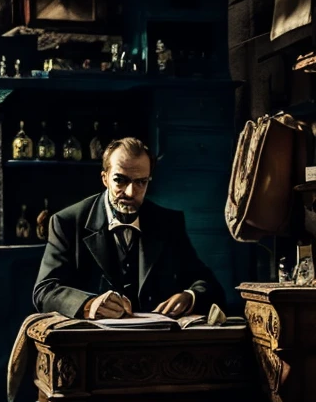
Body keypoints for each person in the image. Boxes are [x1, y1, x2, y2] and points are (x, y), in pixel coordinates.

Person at [33, 137, 224, 319]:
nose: (131, 192)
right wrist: (89, 304)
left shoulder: (168, 222)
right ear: (105, 178)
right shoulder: (67, 222)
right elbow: (45, 290)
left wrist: (190, 296)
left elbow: (208, 284)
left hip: (155, 343)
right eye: (120, 180)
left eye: (141, 182)